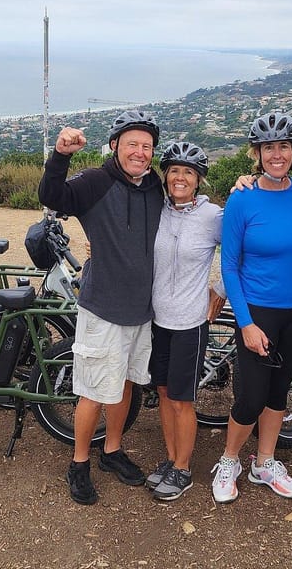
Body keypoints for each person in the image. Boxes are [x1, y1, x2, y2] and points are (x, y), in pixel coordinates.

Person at [38, 110, 164, 506]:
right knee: (93, 391)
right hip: (103, 308)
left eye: (146, 146)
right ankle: (78, 463)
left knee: (124, 384)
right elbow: (52, 196)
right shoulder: (96, 181)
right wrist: (60, 156)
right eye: (132, 145)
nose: (140, 153)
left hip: (141, 310)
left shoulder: (154, 187)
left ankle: (111, 451)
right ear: (115, 146)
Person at [211, 112, 292, 504]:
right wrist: (246, 322)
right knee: (251, 396)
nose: (277, 154)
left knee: (279, 392)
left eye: (284, 146)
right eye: (269, 147)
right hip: (257, 310)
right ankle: (230, 459)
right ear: (257, 153)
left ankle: (265, 462)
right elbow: (229, 264)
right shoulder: (242, 199)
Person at [145, 141, 224, 501]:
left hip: (190, 323)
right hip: (157, 319)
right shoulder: (156, 210)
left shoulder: (212, 217)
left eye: (188, 172)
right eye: (174, 170)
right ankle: (171, 457)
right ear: (165, 176)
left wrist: (219, 290)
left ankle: (183, 468)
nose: (180, 177)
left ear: (198, 180)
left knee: (182, 399)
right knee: (162, 392)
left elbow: (244, 250)